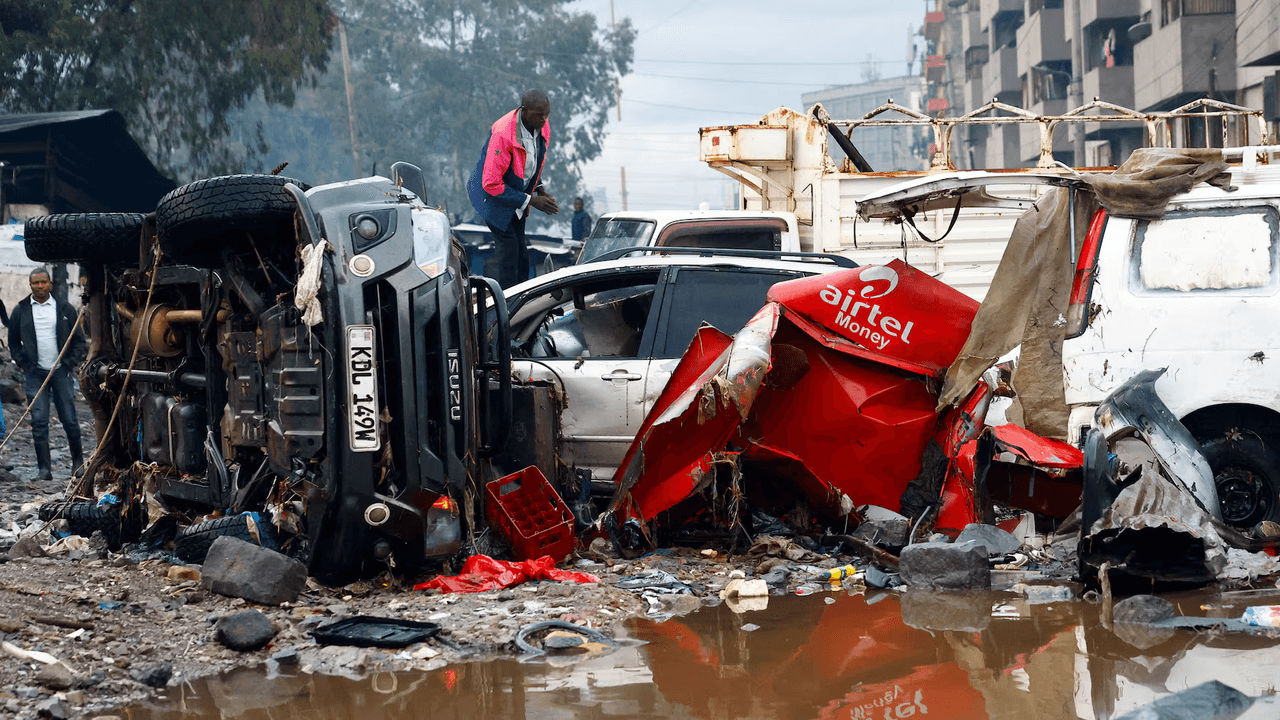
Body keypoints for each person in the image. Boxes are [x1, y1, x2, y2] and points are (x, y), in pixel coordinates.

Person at [467, 89, 559, 288]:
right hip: (492, 198)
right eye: (539, 114)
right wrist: (531, 201)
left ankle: (522, 301)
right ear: (524, 111)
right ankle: (507, 308)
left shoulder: (542, 126)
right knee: (510, 257)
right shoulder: (503, 135)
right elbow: (490, 183)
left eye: (547, 114)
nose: (544, 119)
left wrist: (539, 188)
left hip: (516, 196)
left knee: (522, 258)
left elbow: (531, 160)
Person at [8, 268, 86, 481]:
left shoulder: (64, 308)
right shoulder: (21, 310)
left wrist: (68, 363)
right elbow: (13, 343)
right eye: (36, 283)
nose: (40, 286)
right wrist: (25, 364)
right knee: (39, 421)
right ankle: (44, 470)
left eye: (44, 282)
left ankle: (78, 463)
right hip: (35, 373)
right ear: (30, 285)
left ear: (50, 284)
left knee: (69, 418)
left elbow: (79, 341)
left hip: (61, 372)